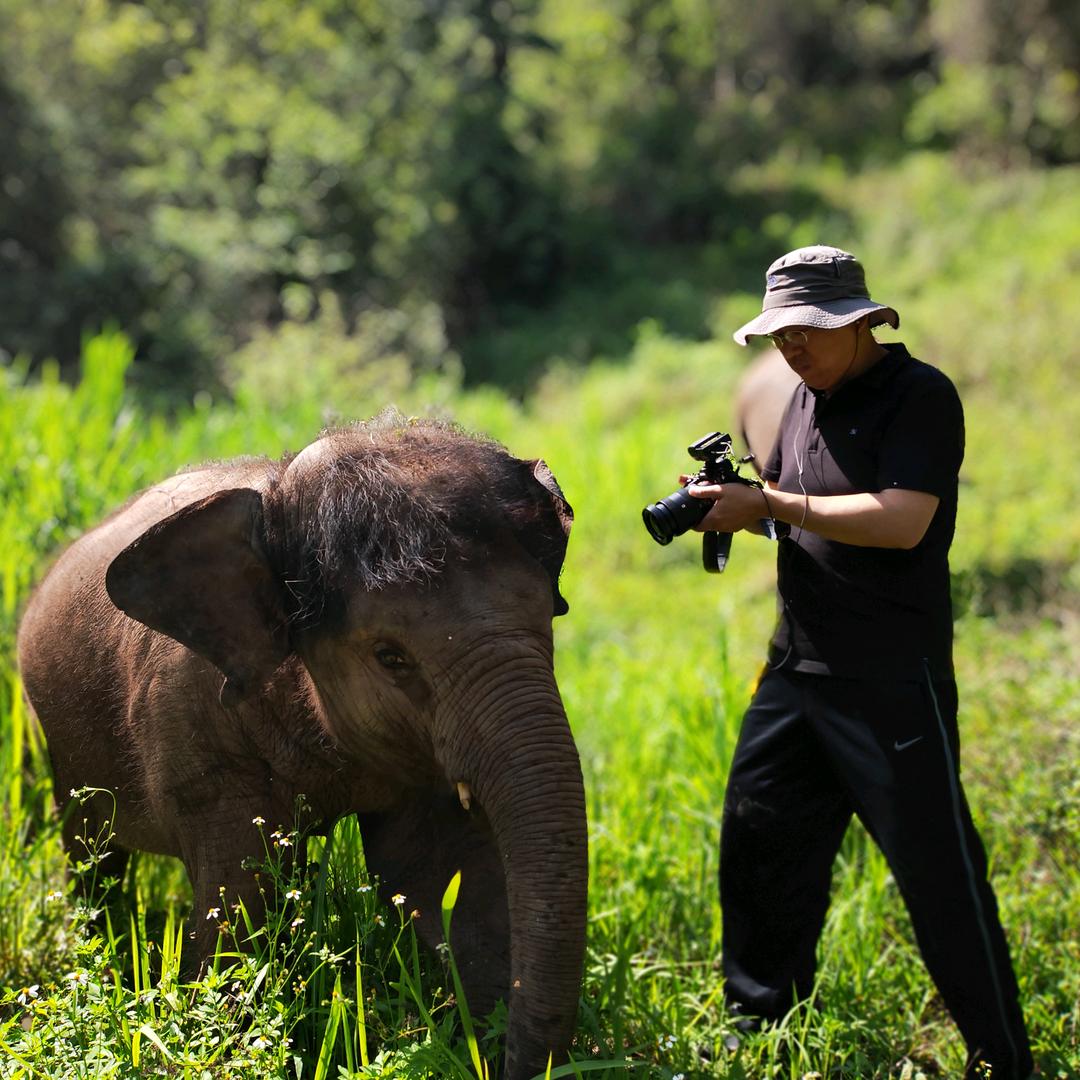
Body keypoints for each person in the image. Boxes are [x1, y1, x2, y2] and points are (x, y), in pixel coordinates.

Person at [686, 246, 1034, 1079]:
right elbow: (807, 516)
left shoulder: (920, 397)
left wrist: (767, 500)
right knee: (759, 843)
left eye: (806, 330)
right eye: (779, 336)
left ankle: (1004, 1058)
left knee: (940, 877)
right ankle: (761, 1033)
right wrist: (740, 511)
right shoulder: (805, 399)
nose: (791, 349)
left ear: (859, 319)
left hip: (889, 681)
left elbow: (902, 520)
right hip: (796, 670)